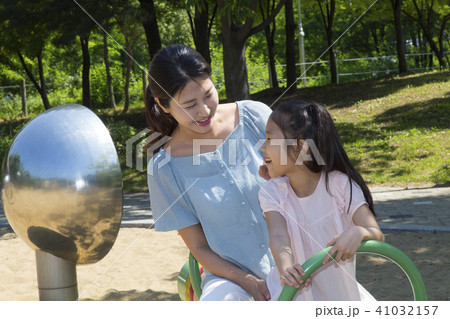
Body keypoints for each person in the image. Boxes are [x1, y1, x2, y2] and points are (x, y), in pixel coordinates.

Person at [146, 44, 275, 301]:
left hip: (299, 259)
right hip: (231, 280)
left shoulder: (254, 117)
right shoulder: (164, 169)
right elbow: (199, 247)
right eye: (190, 104)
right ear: (163, 104)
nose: (204, 111)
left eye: (208, 95)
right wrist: (246, 281)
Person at [258, 100, 385, 301]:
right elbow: (279, 236)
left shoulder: (339, 186)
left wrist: (359, 232)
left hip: (340, 294)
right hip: (295, 292)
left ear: (301, 149)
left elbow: (376, 233)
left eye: (269, 139)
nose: (262, 147)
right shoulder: (273, 191)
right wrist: (287, 267)